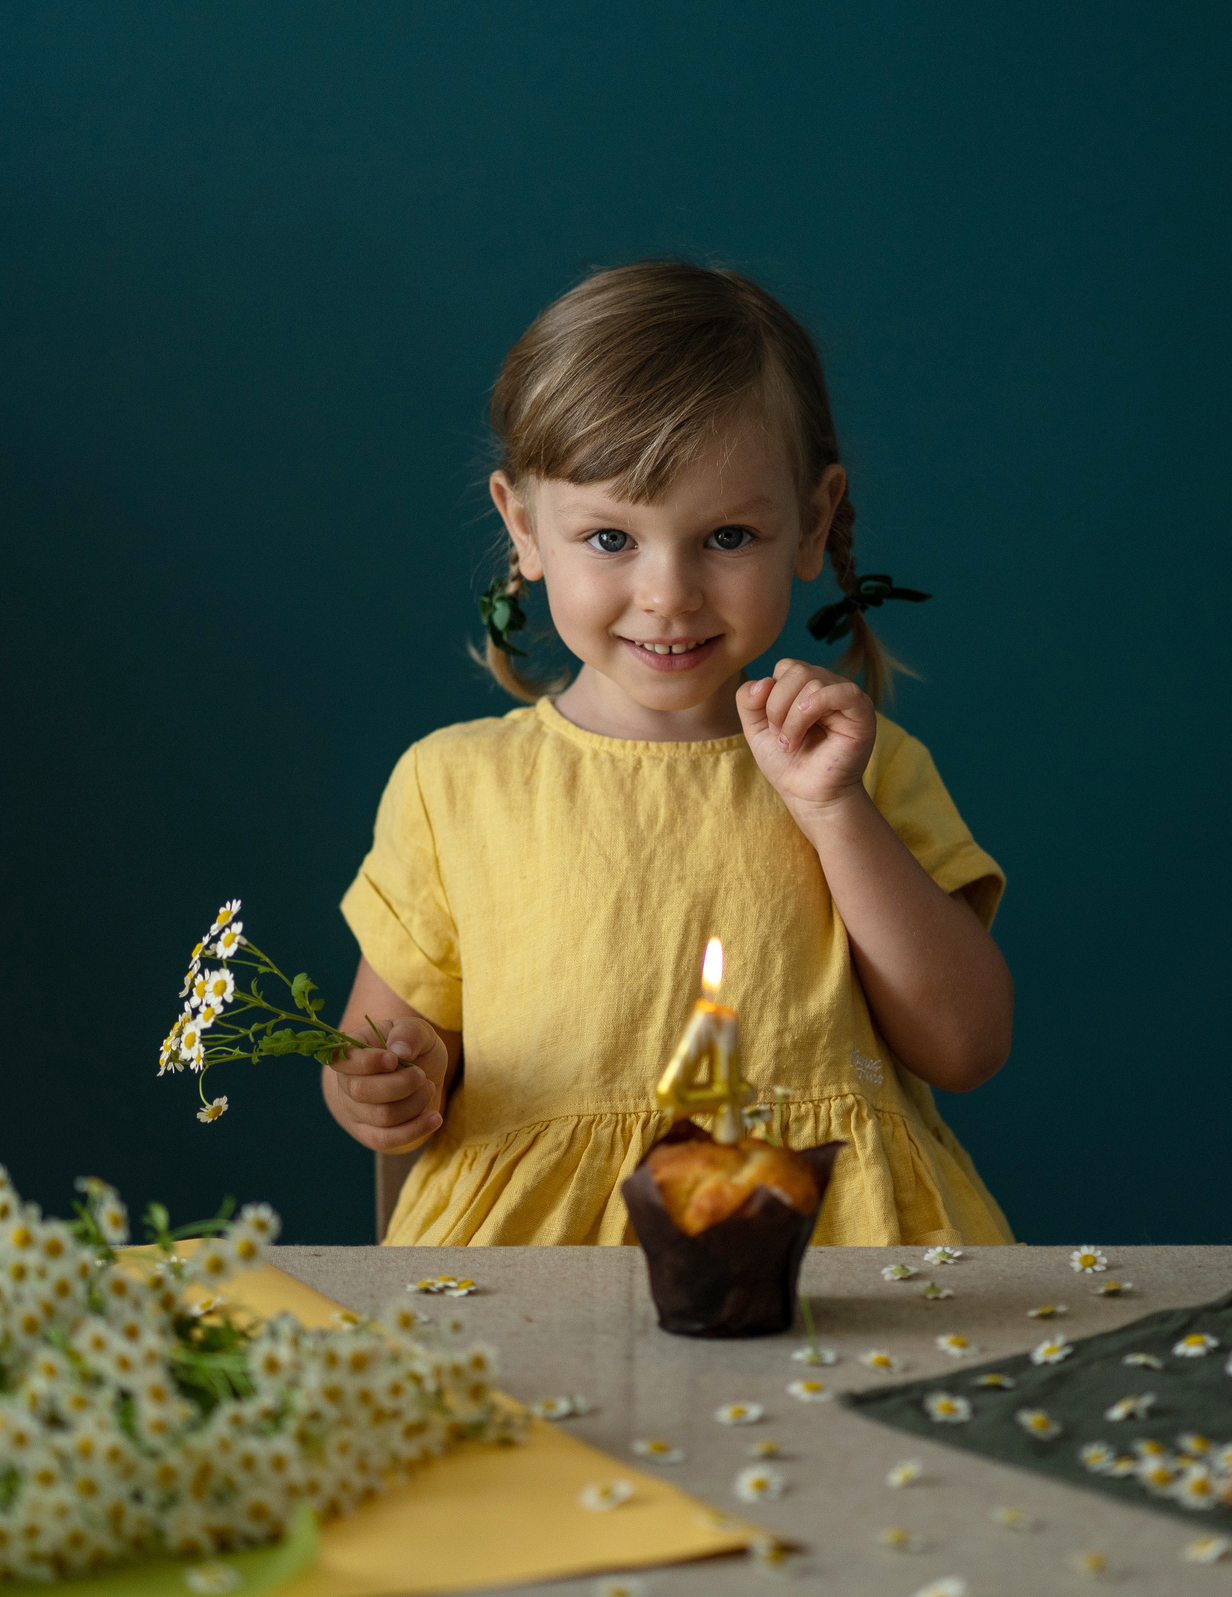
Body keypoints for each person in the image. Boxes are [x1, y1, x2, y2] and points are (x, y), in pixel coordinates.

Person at [321, 261, 1014, 1247]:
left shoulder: (859, 768)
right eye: (609, 539)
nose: (668, 593)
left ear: (812, 522)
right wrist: (387, 1082)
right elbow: (386, 1047)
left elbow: (966, 1045)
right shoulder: (452, 787)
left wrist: (831, 811)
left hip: (822, 1270)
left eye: (725, 535)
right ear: (523, 527)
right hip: (537, 1281)